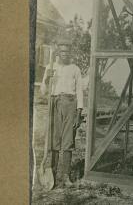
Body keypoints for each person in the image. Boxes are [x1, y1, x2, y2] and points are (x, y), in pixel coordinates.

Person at [41, 39, 83, 187]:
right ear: (58, 52)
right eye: (62, 51)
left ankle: (65, 176)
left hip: (70, 105)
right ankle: (51, 174)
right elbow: (43, 91)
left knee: (68, 141)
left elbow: (79, 92)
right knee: (54, 140)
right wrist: (47, 79)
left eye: (67, 51)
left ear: (70, 53)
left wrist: (79, 113)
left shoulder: (75, 69)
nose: (65, 54)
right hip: (55, 103)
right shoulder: (51, 68)